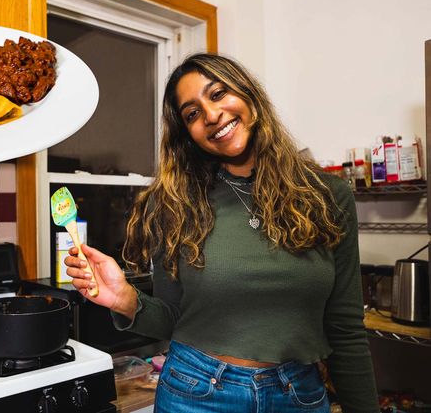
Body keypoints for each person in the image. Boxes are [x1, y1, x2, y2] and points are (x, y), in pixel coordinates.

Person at [65, 53, 379, 413]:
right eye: (192, 114)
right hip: (196, 394)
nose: (211, 116)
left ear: (249, 96)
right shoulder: (174, 204)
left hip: (298, 396)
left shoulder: (326, 195)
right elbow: (172, 316)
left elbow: (346, 328)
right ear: (189, 135)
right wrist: (124, 299)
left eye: (217, 95)